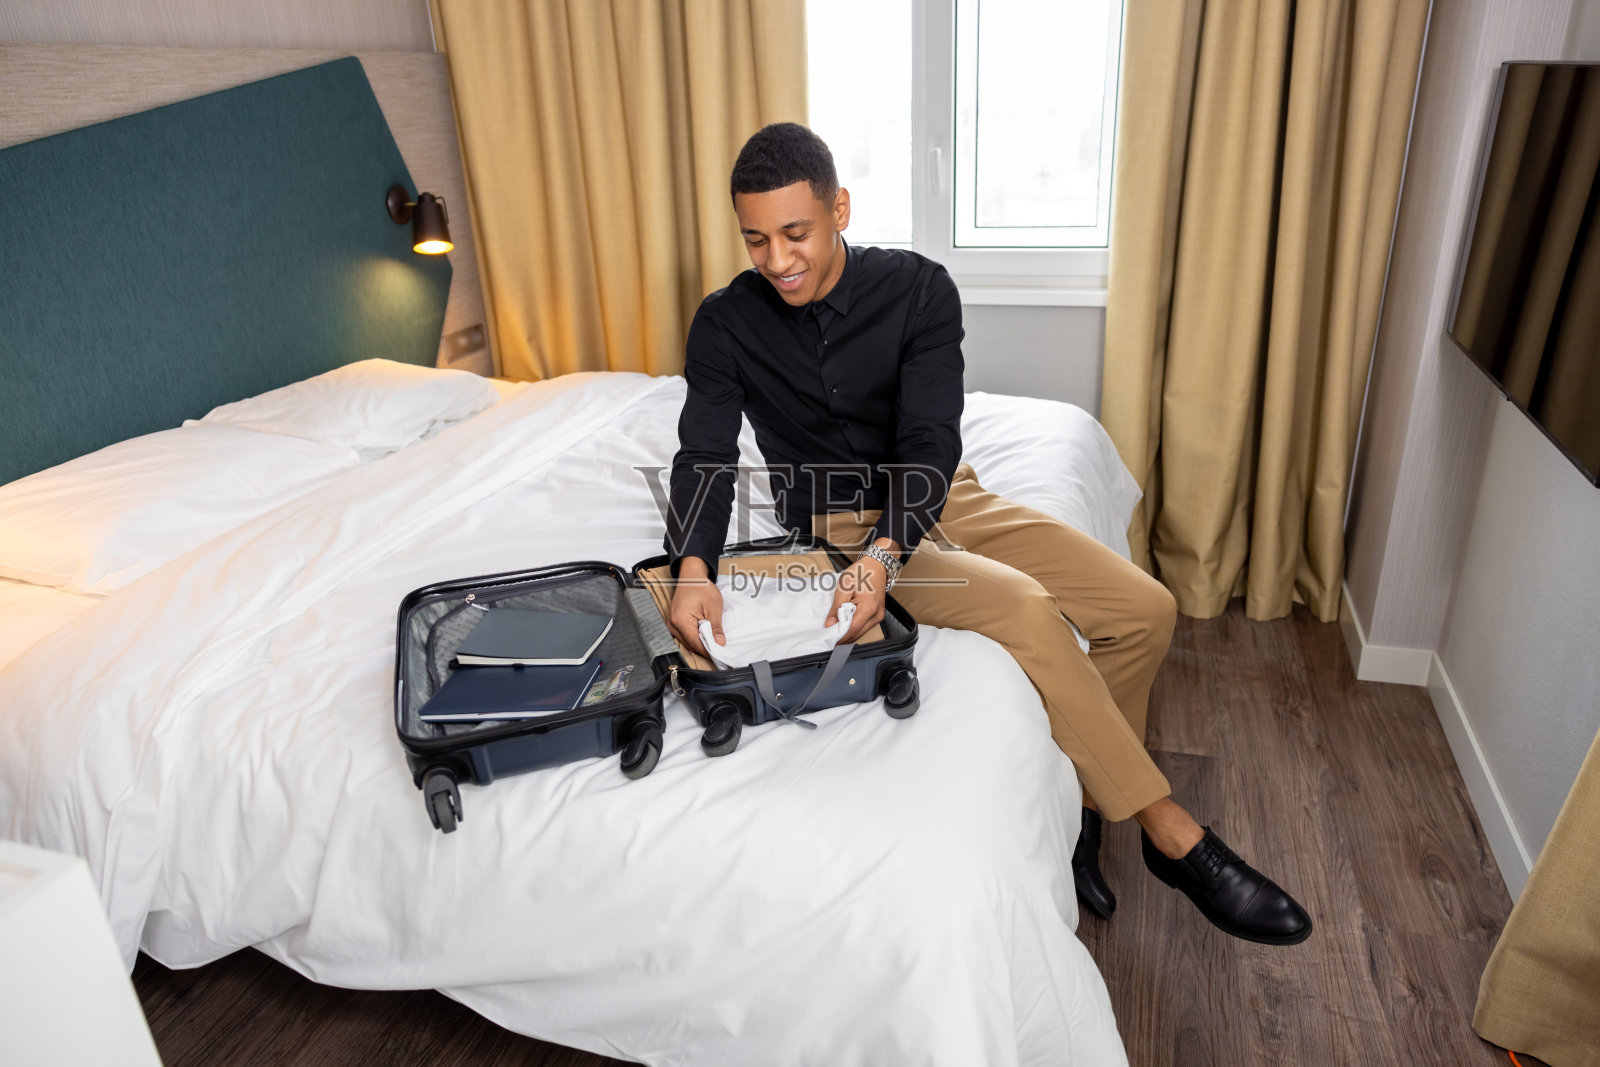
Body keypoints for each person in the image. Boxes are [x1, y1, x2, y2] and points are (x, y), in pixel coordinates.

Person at [662, 122, 1311, 946]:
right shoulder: (725, 323)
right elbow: (706, 455)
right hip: (836, 525)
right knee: (1026, 606)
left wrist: (889, 554)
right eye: (756, 239)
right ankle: (1171, 831)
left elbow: (931, 440)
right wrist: (693, 569)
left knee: (1146, 609)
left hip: (942, 496)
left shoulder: (918, 290)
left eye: (796, 233)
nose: (777, 259)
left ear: (840, 210)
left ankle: (1085, 806)